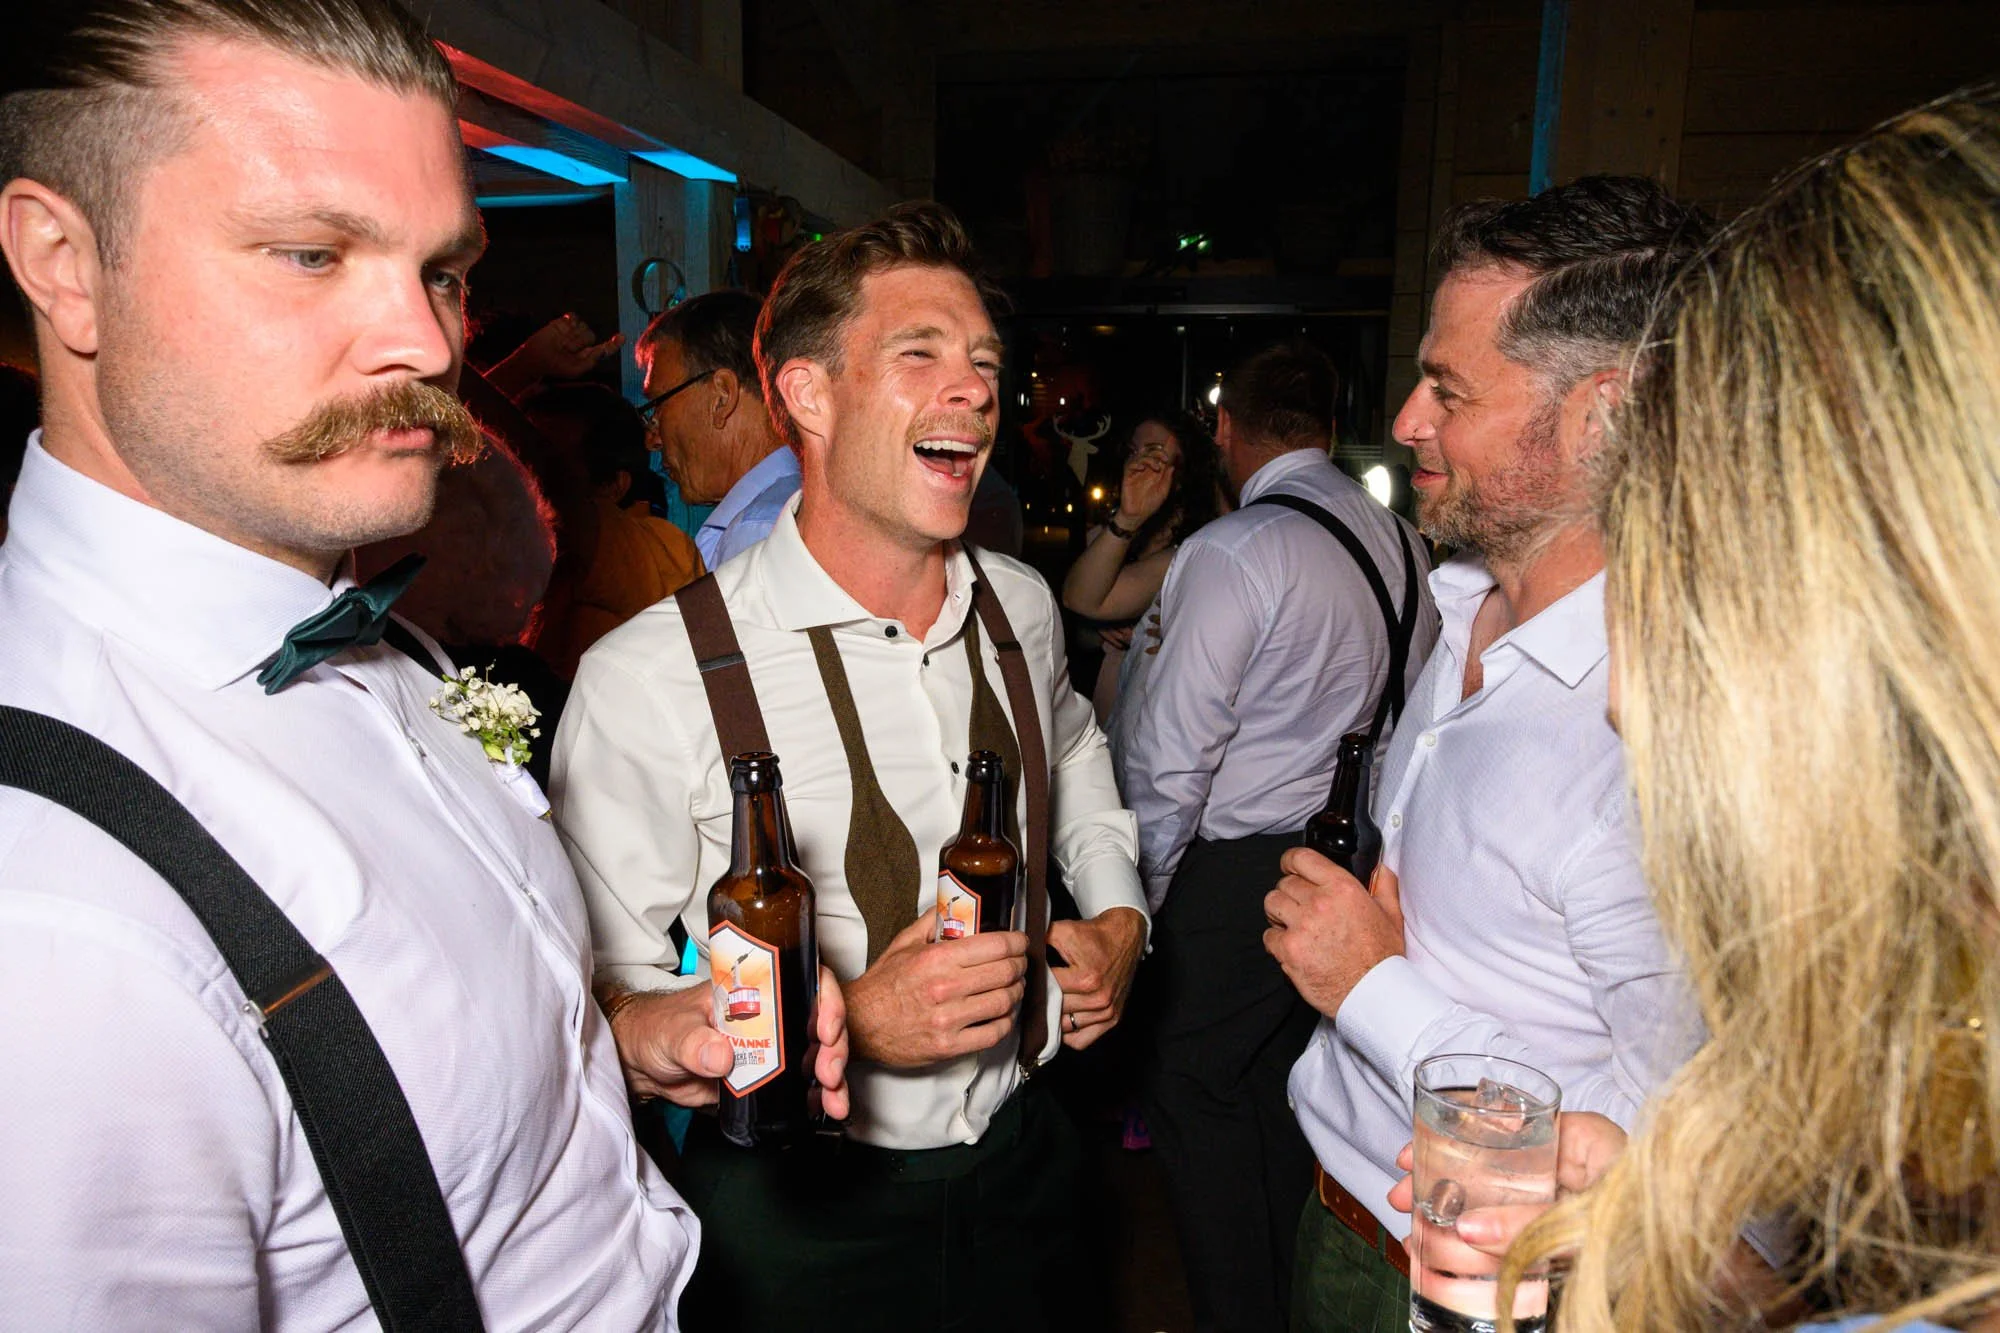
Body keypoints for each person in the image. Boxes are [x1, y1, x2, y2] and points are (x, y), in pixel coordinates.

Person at [0, 2, 848, 1325]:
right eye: (309, 252)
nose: (429, 345)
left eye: (442, 271)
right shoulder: (53, 924)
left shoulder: (370, 624)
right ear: (63, 263)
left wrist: (611, 1043)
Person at [1399, 90, 2000, 1333]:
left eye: (1711, 567)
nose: (1628, 695)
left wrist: (1369, 989)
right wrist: (1640, 1193)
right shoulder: (1450, 608)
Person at [551, 201, 1151, 1332]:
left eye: (982, 361)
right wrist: (836, 1028)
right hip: (797, 1218)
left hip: (1027, 1163)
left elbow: (1071, 751)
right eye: (918, 353)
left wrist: (1119, 915)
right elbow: (597, 1006)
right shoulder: (651, 673)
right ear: (805, 393)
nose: (972, 388)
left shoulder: (1017, 606)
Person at [1264, 176, 1711, 1332]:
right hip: (1332, 1210)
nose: (1407, 418)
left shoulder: (1653, 736)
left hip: (1487, 1293)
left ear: (1598, 415)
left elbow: (1698, 1147)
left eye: (1448, 389)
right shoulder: (1458, 604)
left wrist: (1372, 984)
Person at [1118, 340, 1439, 1333]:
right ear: (1326, 426)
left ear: (1225, 427)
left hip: (1230, 873)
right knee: (1267, 1087)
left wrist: (1145, 896)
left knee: (1185, 1090)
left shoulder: (1233, 549)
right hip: (1346, 859)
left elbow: (1172, 755)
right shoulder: (1404, 543)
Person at [522, 380, 704, 677]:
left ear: (612, 486)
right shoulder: (525, 556)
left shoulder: (657, 551)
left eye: (550, 466)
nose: (524, 475)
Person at [1061, 410, 1224, 724]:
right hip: (1102, 707)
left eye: (1154, 453)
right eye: (1133, 451)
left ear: (1185, 470)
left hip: (1158, 718)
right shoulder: (1110, 536)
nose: (1138, 462)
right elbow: (1078, 623)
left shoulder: (1193, 548)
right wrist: (1100, 631)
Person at [638, 287, 801, 568]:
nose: (653, 438)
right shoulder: (787, 510)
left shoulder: (758, 531)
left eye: (659, 405)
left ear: (722, 397)